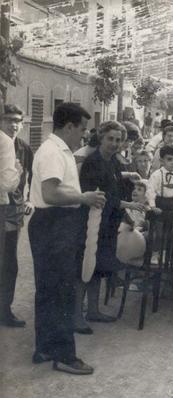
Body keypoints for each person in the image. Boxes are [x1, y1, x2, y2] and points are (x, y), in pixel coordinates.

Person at [29, 103, 106, 375]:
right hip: (54, 223)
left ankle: (46, 347)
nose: (84, 136)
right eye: (82, 130)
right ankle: (64, 355)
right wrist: (82, 197)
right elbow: (50, 193)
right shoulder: (53, 151)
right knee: (62, 291)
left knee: (49, 290)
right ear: (69, 126)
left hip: (53, 223)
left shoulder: (59, 150)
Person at [75, 121, 146, 333]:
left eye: (118, 140)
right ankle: (77, 317)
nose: (114, 143)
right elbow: (99, 195)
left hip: (108, 223)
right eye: (110, 139)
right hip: (91, 222)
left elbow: (113, 181)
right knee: (85, 268)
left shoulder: (113, 161)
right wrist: (128, 205)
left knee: (99, 266)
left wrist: (128, 176)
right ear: (101, 138)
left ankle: (94, 310)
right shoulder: (92, 161)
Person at [0, 104, 30, 327]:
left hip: (14, 210)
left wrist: (28, 200)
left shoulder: (24, 148)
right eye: (9, 119)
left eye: (18, 120)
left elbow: (28, 178)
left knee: (9, 261)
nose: (14, 124)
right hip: (2, 206)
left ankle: (5, 310)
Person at [147, 145, 173, 213]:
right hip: (158, 206)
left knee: (172, 223)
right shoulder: (156, 175)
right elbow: (150, 191)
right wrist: (153, 206)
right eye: (169, 159)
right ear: (161, 161)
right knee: (158, 223)